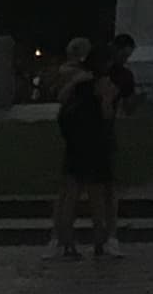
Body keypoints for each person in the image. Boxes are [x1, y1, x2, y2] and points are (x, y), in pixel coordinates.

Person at [47, 41, 120, 261]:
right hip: (96, 142)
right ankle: (100, 241)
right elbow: (107, 113)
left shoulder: (78, 81)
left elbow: (62, 101)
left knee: (70, 193)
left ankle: (65, 242)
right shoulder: (104, 84)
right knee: (97, 194)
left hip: (75, 141)